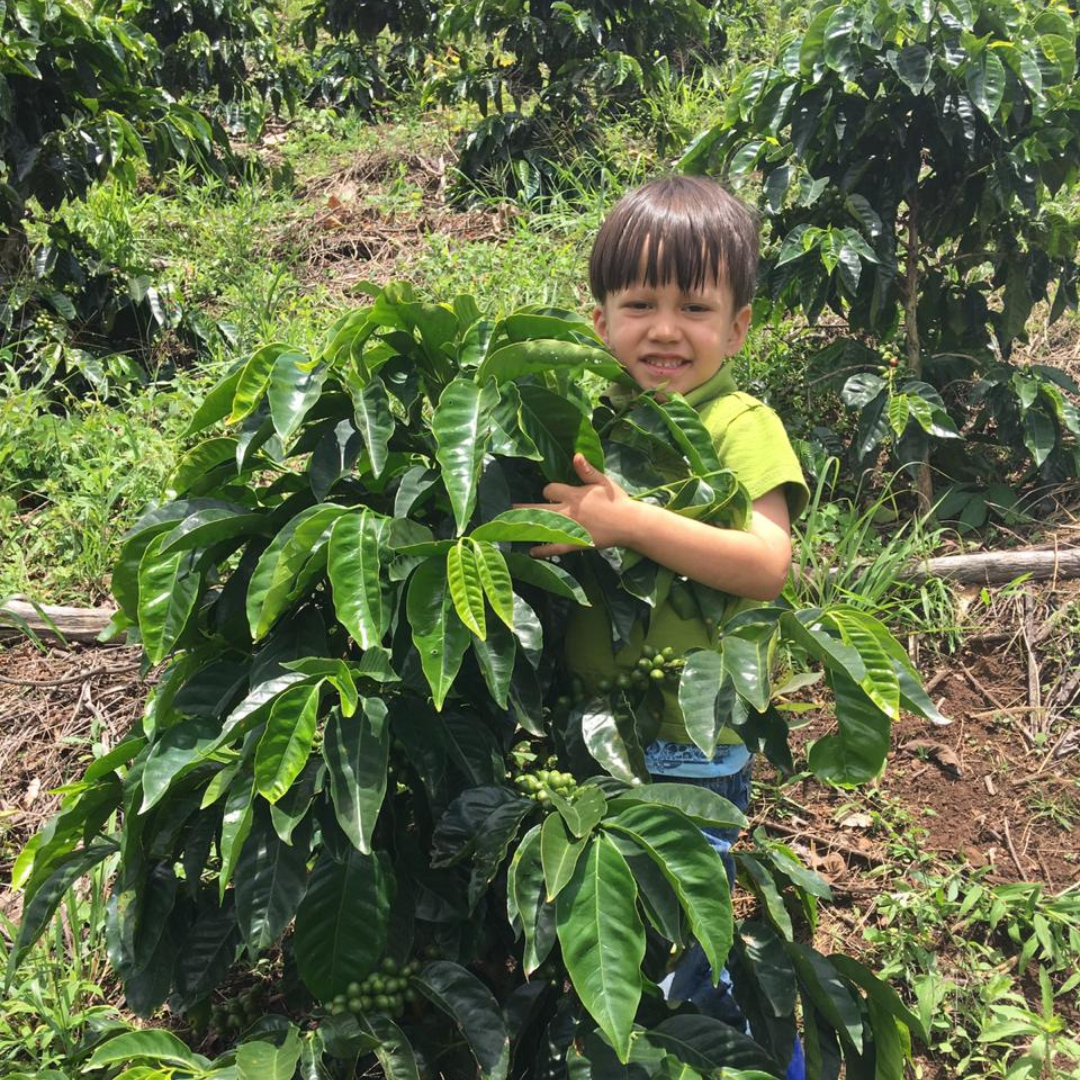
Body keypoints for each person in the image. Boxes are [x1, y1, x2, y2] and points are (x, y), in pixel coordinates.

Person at [521, 176, 809, 1079]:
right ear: (598, 318)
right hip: (586, 732)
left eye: (695, 306)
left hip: (691, 744)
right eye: (638, 303)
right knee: (606, 930)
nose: (665, 329)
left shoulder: (741, 425)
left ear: (739, 327)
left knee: (692, 937)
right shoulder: (589, 425)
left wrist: (633, 522)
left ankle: (763, 1064)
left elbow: (766, 563)